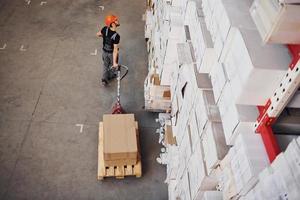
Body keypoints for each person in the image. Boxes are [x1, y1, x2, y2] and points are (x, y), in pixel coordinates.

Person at [97, 15, 120, 86]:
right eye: (116, 20)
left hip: (104, 52)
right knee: (112, 65)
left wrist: (104, 35)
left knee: (105, 65)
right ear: (112, 24)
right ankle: (111, 76)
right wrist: (114, 63)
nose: (117, 21)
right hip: (111, 53)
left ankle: (104, 79)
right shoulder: (116, 36)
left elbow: (98, 34)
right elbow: (115, 50)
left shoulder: (104, 29)